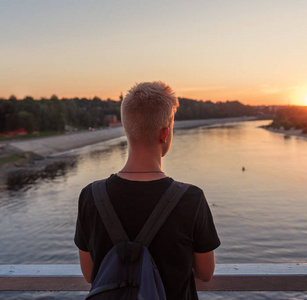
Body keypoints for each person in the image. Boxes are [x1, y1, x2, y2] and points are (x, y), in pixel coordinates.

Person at [74, 81, 221, 299]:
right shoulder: (192, 199)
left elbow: (89, 274)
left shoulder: (91, 195)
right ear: (165, 134)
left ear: (126, 129)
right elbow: (206, 273)